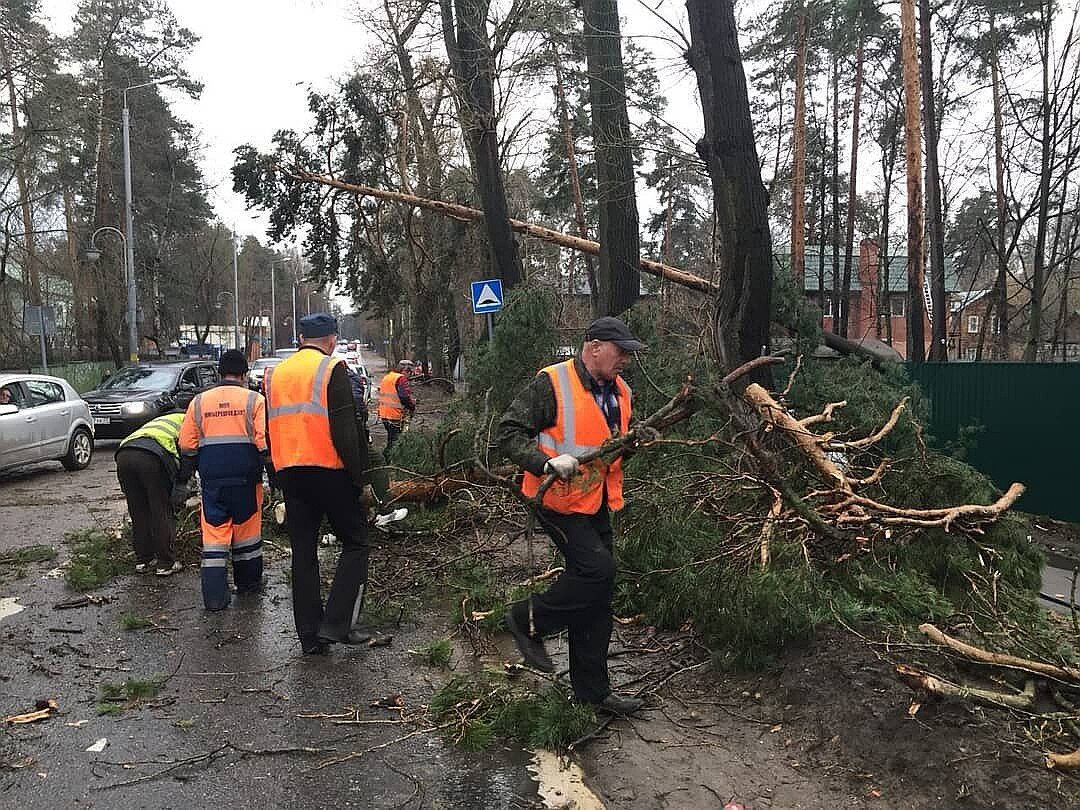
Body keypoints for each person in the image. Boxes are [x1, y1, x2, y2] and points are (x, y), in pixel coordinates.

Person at [496, 316, 647, 715]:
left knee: (598, 595)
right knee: (599, 572)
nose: (625, 361)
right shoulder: (552, 383)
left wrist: (633, 445)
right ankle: (527, 619)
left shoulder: (622, 393)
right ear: (594, 346)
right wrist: (544, 463)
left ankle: (593, 693)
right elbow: (508, 432)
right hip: (557, 502)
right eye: (621, 352)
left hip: (596, 501)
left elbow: (610, 449)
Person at [264, 313, 371, 655]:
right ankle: (337, 624)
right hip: (329, 469)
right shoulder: (331, 368)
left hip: (291, 473)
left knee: (304, 553)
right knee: (356, 542)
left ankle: (310, 636)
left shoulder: (276, 373)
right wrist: (359, 478)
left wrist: (276, 476)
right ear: (332, 340)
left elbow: (271, 427)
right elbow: (345, 430)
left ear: (300, 337)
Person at [178, 350, 270, 610]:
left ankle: (215, 598)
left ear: (219, 373)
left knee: (215, 537)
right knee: (247, 535)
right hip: (246, 478)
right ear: (244, 374)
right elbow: (262, 442)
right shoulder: (255, 400)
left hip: (212, 480)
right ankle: (249, 585)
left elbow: (187, 444)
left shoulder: (199, 401)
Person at [114, 410, 186, 576]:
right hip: (151, 458)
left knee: (138, 511)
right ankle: (165, 563)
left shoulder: (161, 420)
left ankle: (143, 560)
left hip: (124, 455)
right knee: (160, 509)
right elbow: (189, 452)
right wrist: (183, 481)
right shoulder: (190, 421)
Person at [377, 360, 416, 450]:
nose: (409, 376)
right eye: (410, 373)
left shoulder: (387, 377)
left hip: (384, 414)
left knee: (391, 439)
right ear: (405, 370)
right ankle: (389, 460)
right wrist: (412, 406)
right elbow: (404, 397)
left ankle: (387, 458)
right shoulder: (401, 378)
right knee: (395, 442)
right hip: (394, 415)